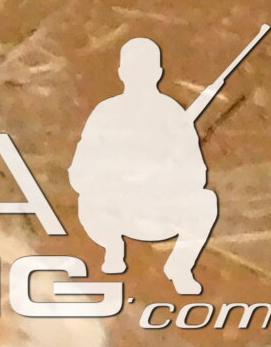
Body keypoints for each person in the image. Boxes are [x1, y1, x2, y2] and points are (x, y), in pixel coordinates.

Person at [70, 36, 223, 296]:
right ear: (122, 73)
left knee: (205, 201)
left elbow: (197, 174)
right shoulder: (106, 113)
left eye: (145, 69)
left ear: (157, 73)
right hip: (116, 209)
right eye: (133, 69)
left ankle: (180, 266)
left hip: (160, 209)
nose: (139, 76)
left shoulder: (173, 114)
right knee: (88, 201)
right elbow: (79, 173)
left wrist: (169, 169)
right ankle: (113, 248)